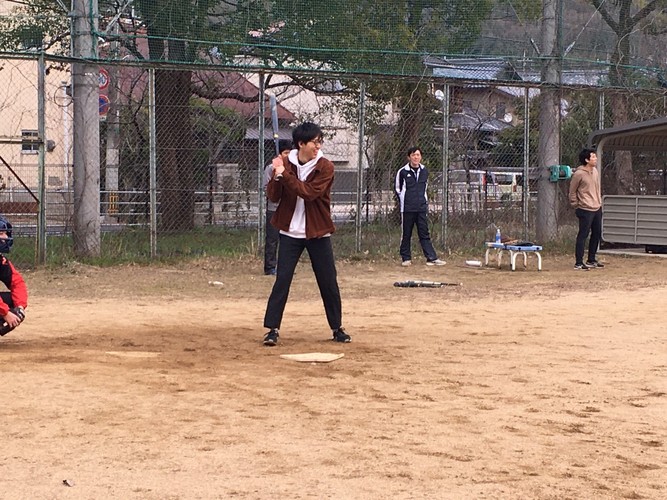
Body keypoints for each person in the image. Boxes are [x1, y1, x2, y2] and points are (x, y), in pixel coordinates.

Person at [262, 122, 350, 346]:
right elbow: (273, 196)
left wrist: (286, 175)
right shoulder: (285, 163)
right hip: (290, 232)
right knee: (282, 280)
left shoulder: (326, 167)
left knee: (328, 281)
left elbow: (309, 193)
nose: (318, 146)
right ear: (301, 144)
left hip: (317, 231)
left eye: (320, 142)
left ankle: (337, 327)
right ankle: (272, 329)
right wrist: (276, 174)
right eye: (314, 142)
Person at [394, 147, 446, 267]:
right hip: (407, 208)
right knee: (406, 233)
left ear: (421, 157)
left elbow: (425, 188)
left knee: (424, 233)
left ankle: (431, 257)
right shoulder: (402, 172)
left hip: (421, 208)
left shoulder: (424, 171)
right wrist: (405, 200)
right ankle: (406, 258)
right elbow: (398, 189)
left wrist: (424, 202)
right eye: (413, 155)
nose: (416, 157)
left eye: (418, 155)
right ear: (409, 157)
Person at [568, 147, 604, 271]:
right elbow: (572, 191)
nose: (596, 159)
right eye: (593, 157)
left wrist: (599, 202)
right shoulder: (579, 174)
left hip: (597, 207)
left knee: (597, 233)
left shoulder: (595, 171)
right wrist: (575, 204)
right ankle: (578, 262)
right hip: (584, 208)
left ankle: (591, 259)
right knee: (583, 234)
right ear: (587, 160)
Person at [262, 139, 292, 276]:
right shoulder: (271, 168)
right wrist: (275, 191)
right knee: (272, 239)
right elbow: (265, 187)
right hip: (274, 209)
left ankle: (284, 267)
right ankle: (270, 267)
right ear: (280, 154)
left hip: (287, 208)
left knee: (287, 240)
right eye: (286, 153)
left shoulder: (292, 168)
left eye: (290, 153)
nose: (288, 155)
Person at [0, 215, 28, 337]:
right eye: (1, 234)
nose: (6, 237)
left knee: (12, 300)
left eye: (5, 233)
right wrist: (5, 313)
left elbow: (17, 283)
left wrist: (20, 307)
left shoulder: (1, 260)